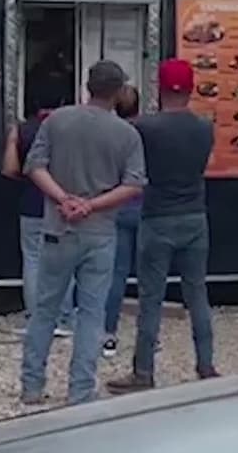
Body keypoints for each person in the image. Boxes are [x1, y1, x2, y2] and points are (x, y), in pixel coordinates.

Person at [20, 60, 147, 405]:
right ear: (120, 92)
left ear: (86, 86)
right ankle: (80, 390)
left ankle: (32, 384)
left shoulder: (57, 121)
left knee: (45, 309)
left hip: (57, 226)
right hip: (100, 232)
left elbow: (34, 166)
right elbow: (134, 184)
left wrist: (63, 199)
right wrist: (91, 206)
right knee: (92, 313)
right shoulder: (127, 134)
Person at [108, 59, 218, 393]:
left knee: (150, 298)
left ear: (159, 88)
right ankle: (206, 364)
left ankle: (144, 371)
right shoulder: (205, 128)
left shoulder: (145, 128)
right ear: (191, 87)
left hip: (157, 217)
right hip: (195, 216)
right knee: (197, 293)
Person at [1, 104, 74, 338]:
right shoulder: (70, 127)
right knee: (64, 262)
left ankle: (35, 318)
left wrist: (13, 140)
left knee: (33, 261)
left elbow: (9, 169)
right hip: (65, 205)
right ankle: (64, 318)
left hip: (32, 204)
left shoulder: (25, 129)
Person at [102, 84, 143, 357]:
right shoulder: (148, 132)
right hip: (147, 207)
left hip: (117, 206)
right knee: (150, 275)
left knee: (116, 273)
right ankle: (147, 336)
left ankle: (109, 333)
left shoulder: (108, 134)